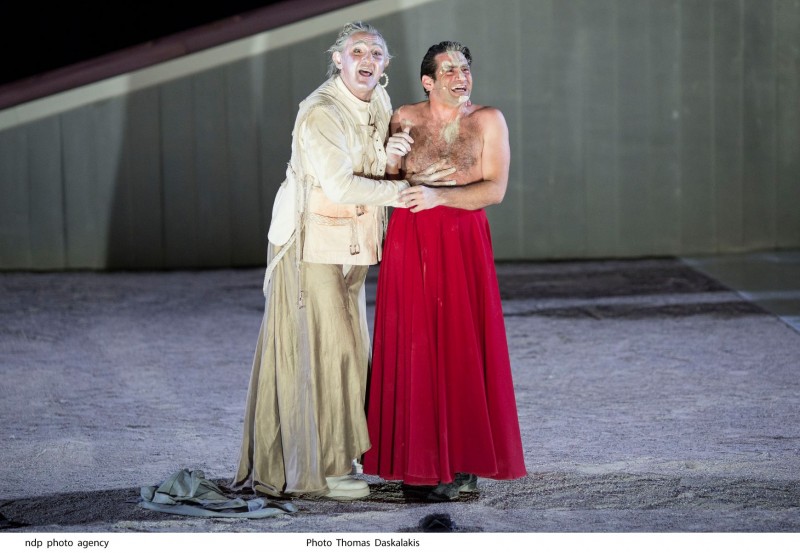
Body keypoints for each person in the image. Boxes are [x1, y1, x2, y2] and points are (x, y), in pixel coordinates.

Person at [231, 23, 455, 500]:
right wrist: (406, 190)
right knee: (327, 353)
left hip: (352, 246)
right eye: (357, 51)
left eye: (376, 52)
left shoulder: (377, 101)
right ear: (338, 60)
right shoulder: (319, 112)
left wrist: (389, 155)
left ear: (386, 64)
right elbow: (339, 185)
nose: (367, 59)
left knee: (350, 351)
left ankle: (340, 457)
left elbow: (370, 166)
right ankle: (321, 470)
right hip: (309, 246)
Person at [363, 41, 527, 500]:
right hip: (410, 239)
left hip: (461, 239)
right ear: (428, 81)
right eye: (450, 69)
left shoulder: (487, 120)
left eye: (466, 69)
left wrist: (439, 197)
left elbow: (494, 189)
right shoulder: (404, 117)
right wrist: (390, 157)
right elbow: (389, 183)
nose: (462, 76)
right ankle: (417, 461)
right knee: (413, 344)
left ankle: (462, 460)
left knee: (461, 344)